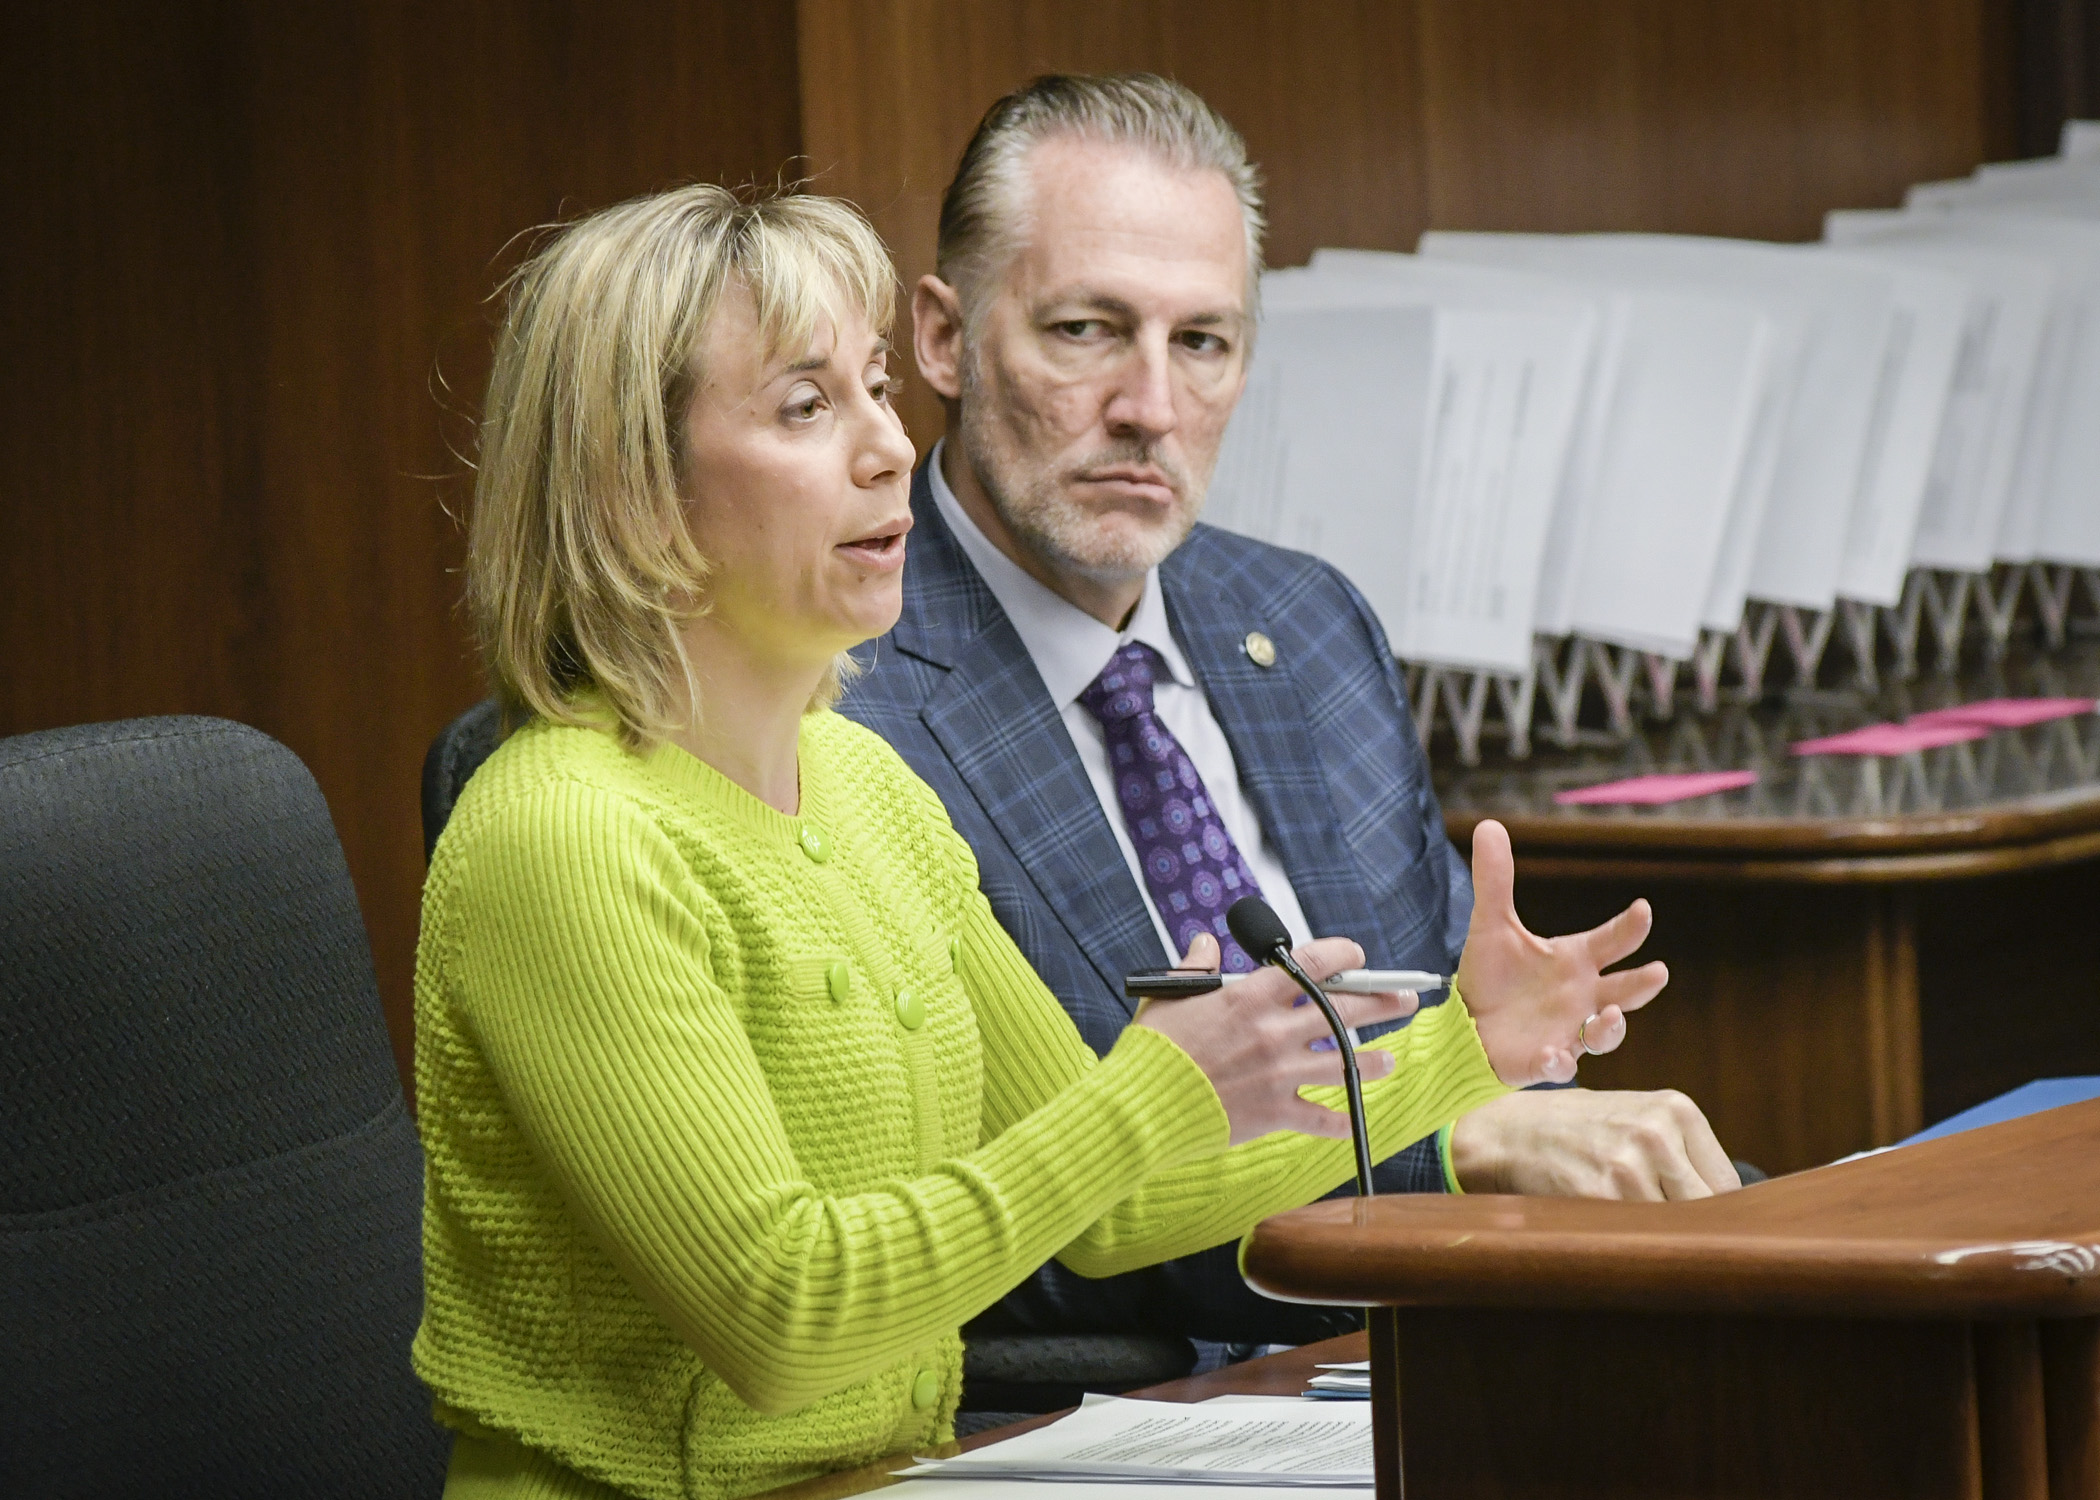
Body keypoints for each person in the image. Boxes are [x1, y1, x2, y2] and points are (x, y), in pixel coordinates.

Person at [412, 183, 1647, 1500]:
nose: (889, 446)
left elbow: (1117, 1205)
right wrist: (1150, 1095)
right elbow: (781, 1318)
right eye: (803, 406)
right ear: (632, 488)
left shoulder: (863, 783)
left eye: (877, 388)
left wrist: (1466, 1049)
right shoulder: (561, 835)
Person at [838, 73, 1738, 1347]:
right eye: (1088, 330)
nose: (1151, 406)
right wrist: (1450, 1159)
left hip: (1422, 1348)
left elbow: (1442, 1079)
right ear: (942, 339)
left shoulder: (1306, 622)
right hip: (1120, 1412)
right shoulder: (835, 691)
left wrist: (1492, 1061)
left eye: (1201, 342)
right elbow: (993, 1234)